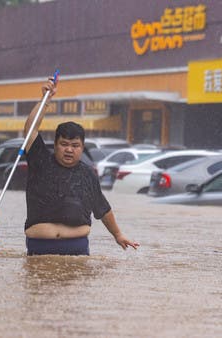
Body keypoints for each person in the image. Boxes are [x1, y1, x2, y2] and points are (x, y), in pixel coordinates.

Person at [23, 78, 140, 256]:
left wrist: (118, 234)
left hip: (77, 251)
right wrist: (45, 100)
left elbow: (102, 208)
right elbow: (30, 130)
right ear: (55, 145)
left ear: (82, 148)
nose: (69, 149)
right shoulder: (40, 161)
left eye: (75, 145)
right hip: (39, 249)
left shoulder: (87, 174)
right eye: (64, 144)